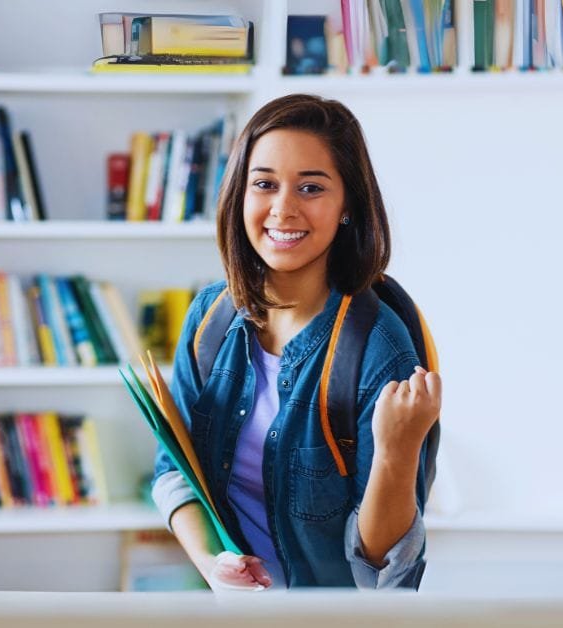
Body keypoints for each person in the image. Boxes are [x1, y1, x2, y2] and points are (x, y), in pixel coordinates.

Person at [151, 94, 441, 590]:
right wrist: (213, 567)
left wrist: (398, 449)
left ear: (347, 204)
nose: (283, 209)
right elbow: (174, 473)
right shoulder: (209, 318)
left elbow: (381, 562)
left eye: (311, 188)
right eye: (264, 184)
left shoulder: (379, 348)